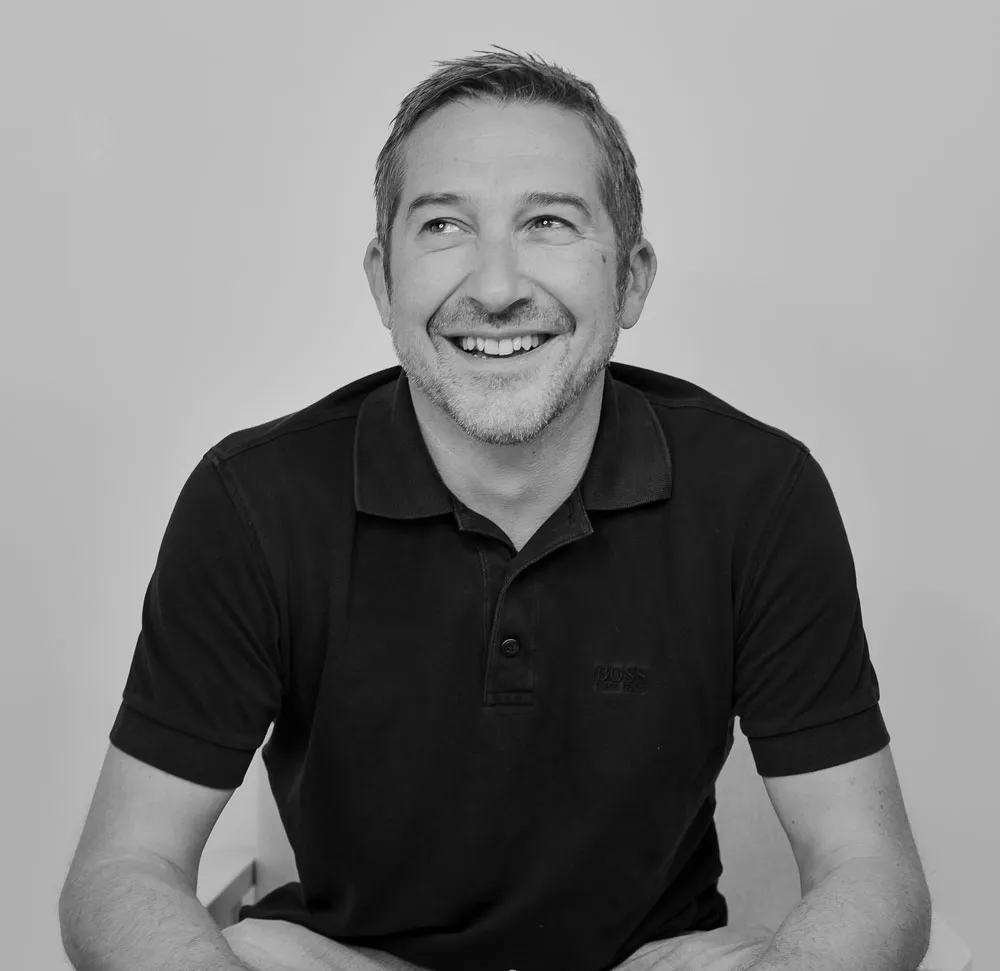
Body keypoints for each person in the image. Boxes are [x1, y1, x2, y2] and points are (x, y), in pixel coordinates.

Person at [60, 48, 932, 971]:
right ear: (382, 281)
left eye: (549, 221)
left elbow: (868, 866)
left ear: (630, 279)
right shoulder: (252, 502)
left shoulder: (761, 493)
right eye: (444, 224)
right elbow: (123, 868)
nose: (496, 284)